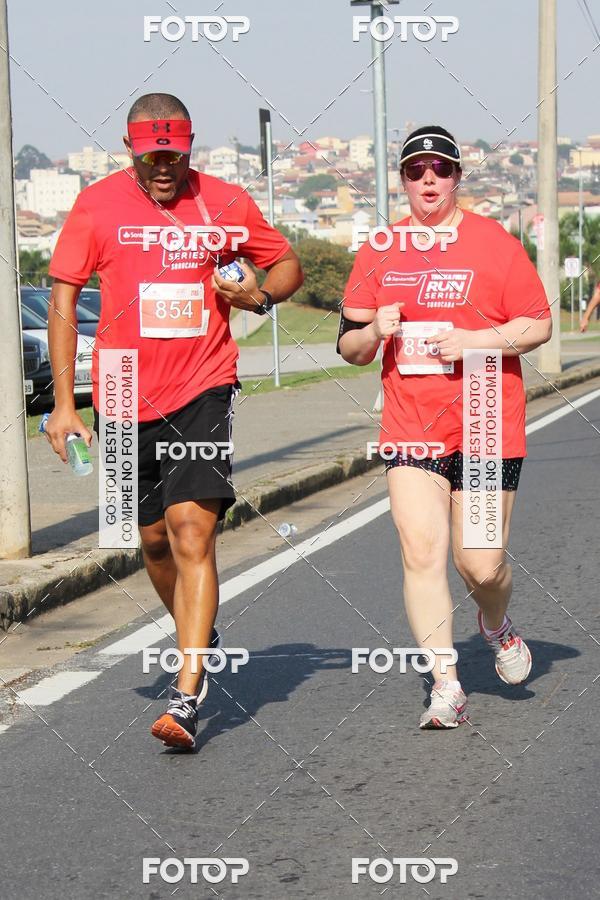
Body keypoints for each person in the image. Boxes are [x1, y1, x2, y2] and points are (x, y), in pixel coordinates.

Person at [45, 93, 303, 749]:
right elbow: (64, 304)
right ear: (131, 149)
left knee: (192, 530)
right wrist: (64, 403)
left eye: (176, 155)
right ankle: (199, 628)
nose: (165, 168)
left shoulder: (223, 203)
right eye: (152, 155)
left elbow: (286, 264)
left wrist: (261, 295)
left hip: (204, 385)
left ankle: (187, 695)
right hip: (124, 388)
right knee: (153, 541)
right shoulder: (97, 205)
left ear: (190, 148)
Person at [338, 125, 552, 729]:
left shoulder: (492, 242)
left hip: (484, 418)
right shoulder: (380, 247)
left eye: (440, 168)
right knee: (421, 551)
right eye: (414, 170)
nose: (427, 179)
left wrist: (474, 341)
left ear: (457, 176)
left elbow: (537, 324)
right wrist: (374, 332)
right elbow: (349, 345)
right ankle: (446, 683)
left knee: (480, 565)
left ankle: (496, 623)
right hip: (411, 423)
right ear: (402, 181)